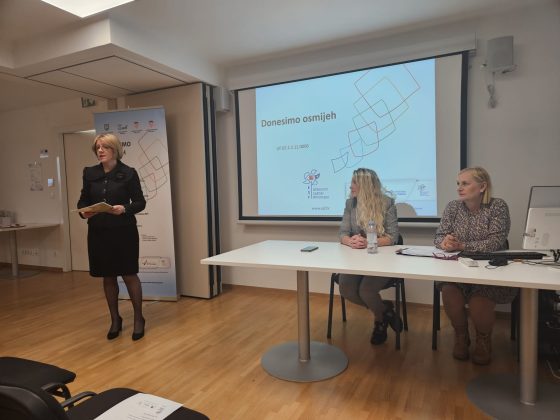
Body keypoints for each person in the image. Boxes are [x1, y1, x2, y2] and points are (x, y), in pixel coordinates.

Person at [434, 166, 515, 365]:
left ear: (482, 186)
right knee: (449, 291)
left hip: (491, 270)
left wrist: (462, 246)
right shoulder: (453, 207)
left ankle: (483, 340)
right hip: (459, 268)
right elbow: (438, 236)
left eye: (465, 183)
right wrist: (445, 243)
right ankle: (461, 336)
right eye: (458, 184)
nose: (459, 188)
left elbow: (495, 242)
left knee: (480, 300)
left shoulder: (497, 206)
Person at [78, 133, 147, 341]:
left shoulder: (129, 173)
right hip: (98, 232)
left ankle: (138, 319)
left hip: (123, 232)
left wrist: (124, 208)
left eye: (105, 147)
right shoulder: (89, 173)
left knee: (129, 275)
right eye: (97, 147)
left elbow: (140, 202)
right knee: (108, 276)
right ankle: (115, 319)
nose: (100, 151)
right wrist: (84, 212)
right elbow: (83, 200)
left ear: (115, 150)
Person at [338, 168, 401, 345]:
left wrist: (369, 242)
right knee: (346, 289)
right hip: (356, 259)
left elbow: (393, 237)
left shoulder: (387, 203)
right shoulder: (350, 204)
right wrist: (350, 241)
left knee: (366, 291)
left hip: (382, 259)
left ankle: (380, 320)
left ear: (365, 185)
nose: (350, 186)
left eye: (354, 182)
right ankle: (385, 310)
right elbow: (342, 233)